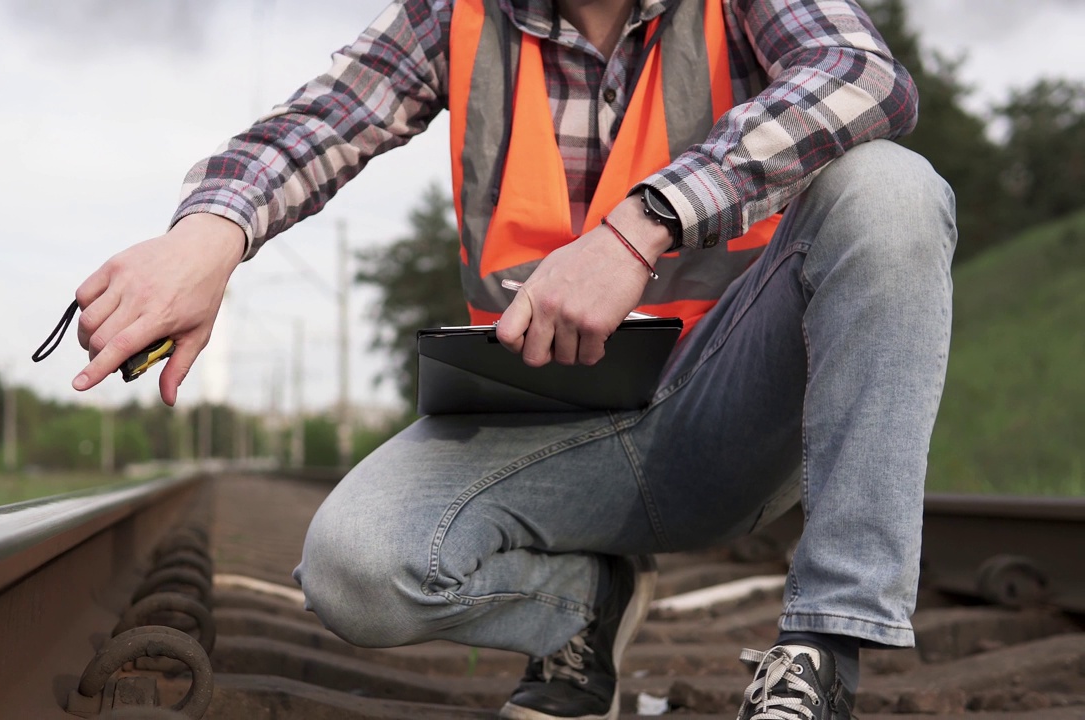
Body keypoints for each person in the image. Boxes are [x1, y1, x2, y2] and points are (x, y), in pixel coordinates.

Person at [71, 0, 956, 717]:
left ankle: (823, 650)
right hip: (547, 426)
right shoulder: (454, 15)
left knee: (890, 188)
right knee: (354, 567)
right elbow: (325, 119)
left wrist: (639, 226)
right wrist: (210, 233)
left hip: (725, 407)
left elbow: (865, 75)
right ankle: (583, 607)